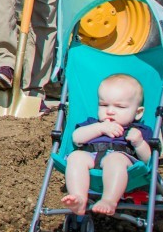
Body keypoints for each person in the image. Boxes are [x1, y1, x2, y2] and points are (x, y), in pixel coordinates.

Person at [61, 73, 153, 216]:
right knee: (76, 156)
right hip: (91, 156)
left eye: (120, 107)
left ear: (138, 112)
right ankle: (79, 198)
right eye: (104, 105)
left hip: (122, 161)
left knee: (114, 159)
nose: (110, 111)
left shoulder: (138, 130)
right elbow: (76, 138)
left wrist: (139, 142)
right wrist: (99, 128)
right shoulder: (94, 124)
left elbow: (149, 160)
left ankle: (109, 200)